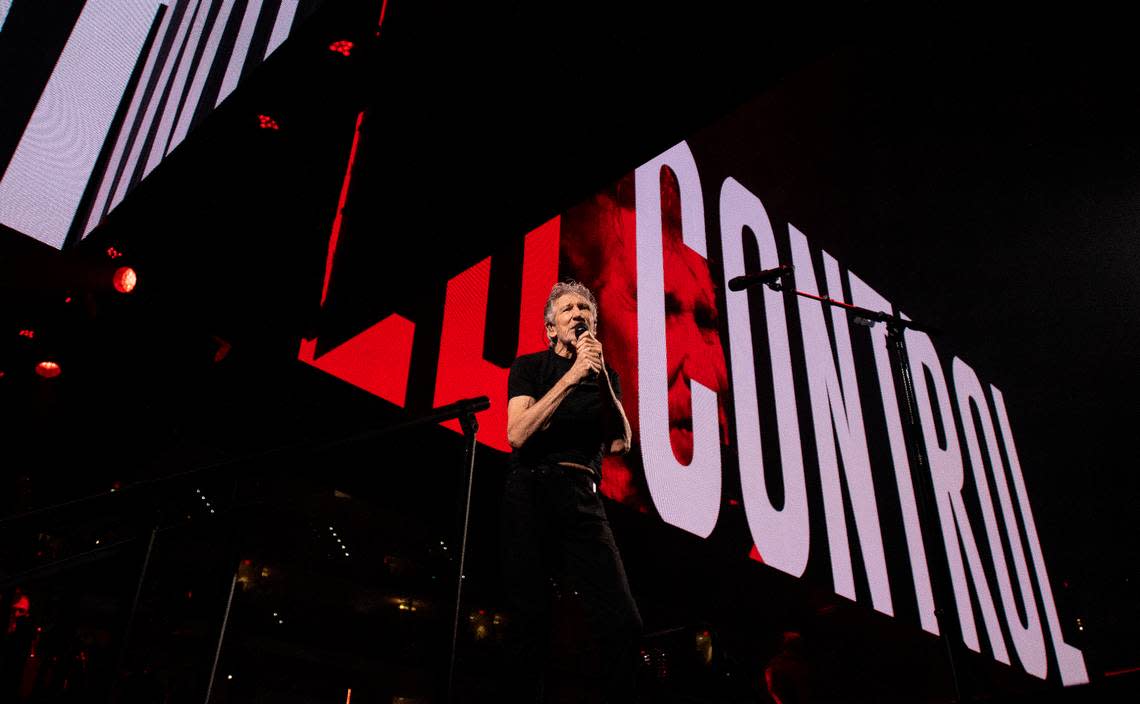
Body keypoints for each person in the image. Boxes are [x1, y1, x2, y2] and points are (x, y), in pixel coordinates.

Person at [502, 280, 642, 702]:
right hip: (531, 491)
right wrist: (572, 376)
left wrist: (596, 377)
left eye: (586, 310)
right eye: (568, 309)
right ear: (550, 328)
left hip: (583, 493)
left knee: (624, 622)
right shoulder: (529, 368)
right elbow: (517, 433)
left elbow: (620, 443)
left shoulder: (604, 377)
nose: (579, 314)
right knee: (530, 619)